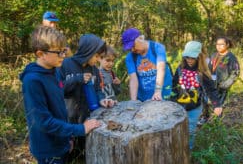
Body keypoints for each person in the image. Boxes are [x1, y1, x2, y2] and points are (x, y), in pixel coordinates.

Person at [19, 25, 101, 164]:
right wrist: (80, 129)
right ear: (40, 54)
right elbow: (43, 122)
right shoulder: (32, 81)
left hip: (61, 142)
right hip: (48, 150)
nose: (63, 56)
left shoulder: (55, 71)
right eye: (58, 52)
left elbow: (60, 108)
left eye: (64, 51)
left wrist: (68, 138)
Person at [56, 33, 116, 159]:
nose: (97, 60)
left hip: (87, 118)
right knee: (68, 154)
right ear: (87, 51)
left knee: (83, 153)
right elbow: (57, 89)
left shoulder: (93, 69)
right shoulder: (65, 65)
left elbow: (98, 89)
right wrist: (77, 79)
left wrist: (102, 99)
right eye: (97, 56)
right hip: (68, 119)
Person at [171, 41, 222, 149]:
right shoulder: (180, 68)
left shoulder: (202, 72)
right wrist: (171, 101)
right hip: (179, 105)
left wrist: (217, 104)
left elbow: (211, 89)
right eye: (187, 57)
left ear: (199, 56)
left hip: (195, 106)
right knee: (177, 128)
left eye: (192, 57)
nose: (189, 60)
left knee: (190, 130)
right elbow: (174, 86)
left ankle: (188, 151)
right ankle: (176, 149)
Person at [121, 28, 172, 101]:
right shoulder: (130, 57)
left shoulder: (157, 48)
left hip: (162, 94)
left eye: (133, 46)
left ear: (140, 38)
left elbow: (161, 69)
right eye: (130, 48)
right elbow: (133, 79)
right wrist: (133, 101)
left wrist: (157, 91)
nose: (132, 50)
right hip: (143, 97)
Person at [201, 37, 240, 122]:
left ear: (227, 45)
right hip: (211, 83)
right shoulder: (214, 55)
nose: (219, 46)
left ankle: (216, 122)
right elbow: (209, 68)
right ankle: (205, 117)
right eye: (217, 44)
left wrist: (225, 85)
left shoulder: (231, 57)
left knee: (218, 104)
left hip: (221, 85)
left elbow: (235, 73)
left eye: (221, 44)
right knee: (206, 101)